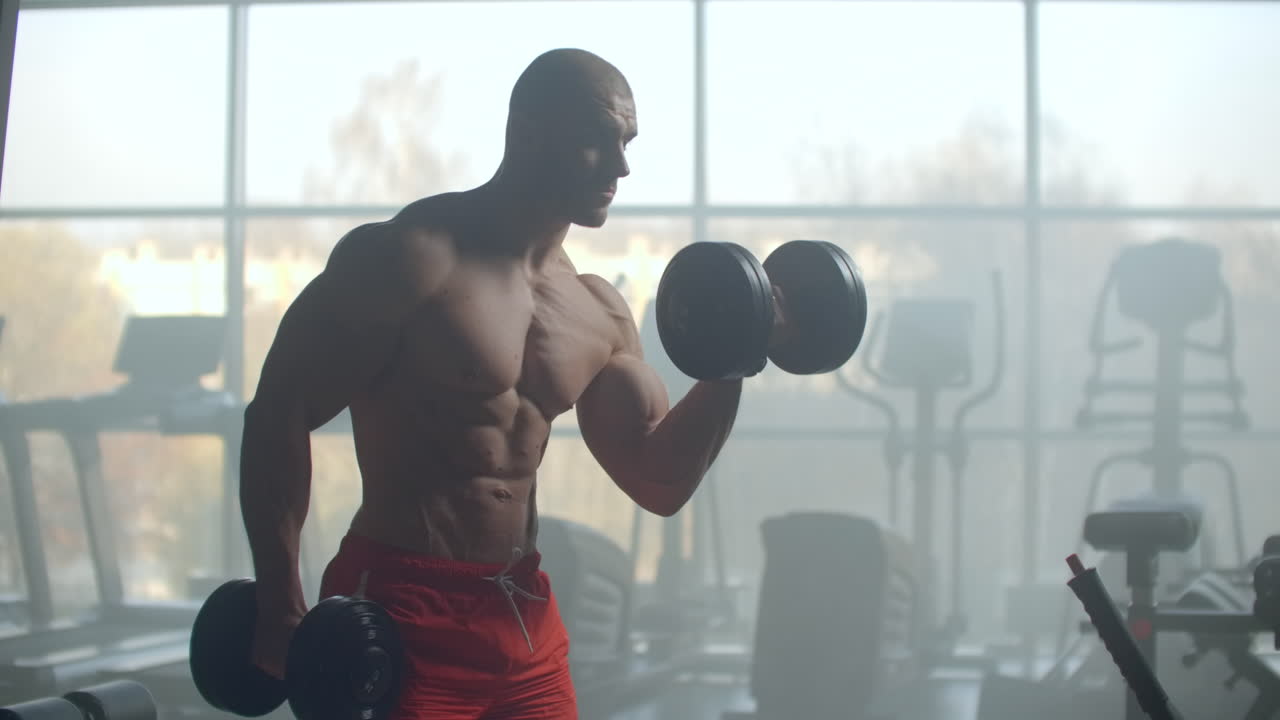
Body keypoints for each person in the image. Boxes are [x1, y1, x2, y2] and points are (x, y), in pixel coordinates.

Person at [241, 48, 746, 719]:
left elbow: (659, 479)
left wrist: (733, 362)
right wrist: (279, 600)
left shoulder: (597, 310)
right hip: (399, 609)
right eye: (597, 138)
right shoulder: (409, 259)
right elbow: (279, 410)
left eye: (626, 142)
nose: (621, 166)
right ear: (529, 128)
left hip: (523, 616)